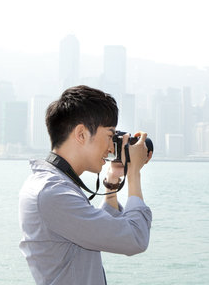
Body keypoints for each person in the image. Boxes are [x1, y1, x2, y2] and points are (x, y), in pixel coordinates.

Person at [19, 85, 152, 285]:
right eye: (109, 136)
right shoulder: (53, 193)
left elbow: (96, 226)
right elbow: (135, 238)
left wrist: (112, 181)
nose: (110, 148)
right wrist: (134, 173)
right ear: (81, 134)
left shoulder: (54, 183)